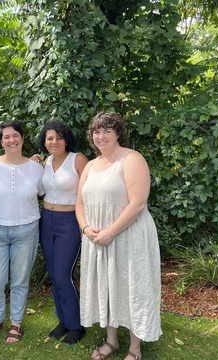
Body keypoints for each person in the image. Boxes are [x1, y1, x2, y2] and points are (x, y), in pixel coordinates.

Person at [75, 112, 162, 360]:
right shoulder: (90, 166)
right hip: (97, 239)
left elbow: (137, 204)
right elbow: (79, 205)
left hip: (129, 236)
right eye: (96, 132)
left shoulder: (131, 159)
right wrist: (85, 229)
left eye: (107, 131)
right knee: (107, 287)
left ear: (118, 134)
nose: (101, 136)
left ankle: (135, 348)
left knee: (133, 287)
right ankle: (111, 340)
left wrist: (110, 232)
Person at [0, 121, 45, 344]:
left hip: (26, 229)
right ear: (1, 141)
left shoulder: (36, 169)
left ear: (22, 139)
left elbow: (44, 191)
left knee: (20, 280)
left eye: (15, 135)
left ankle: (16, 322)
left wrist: (40, 161)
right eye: (6, 137)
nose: (11, 140)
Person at [35, 120, 89, 344]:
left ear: (66, 139)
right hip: (46, 220)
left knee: (62, 275)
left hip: (69, 221)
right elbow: (39, 190)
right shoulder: (45, 162)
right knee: (52, 273)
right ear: (44, 142)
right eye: (50, 138)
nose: (54, 141)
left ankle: (76, 325)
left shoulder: (78, 160)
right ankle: (63, 320)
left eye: (58, 137)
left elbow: (90, 194)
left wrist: (85, 225)